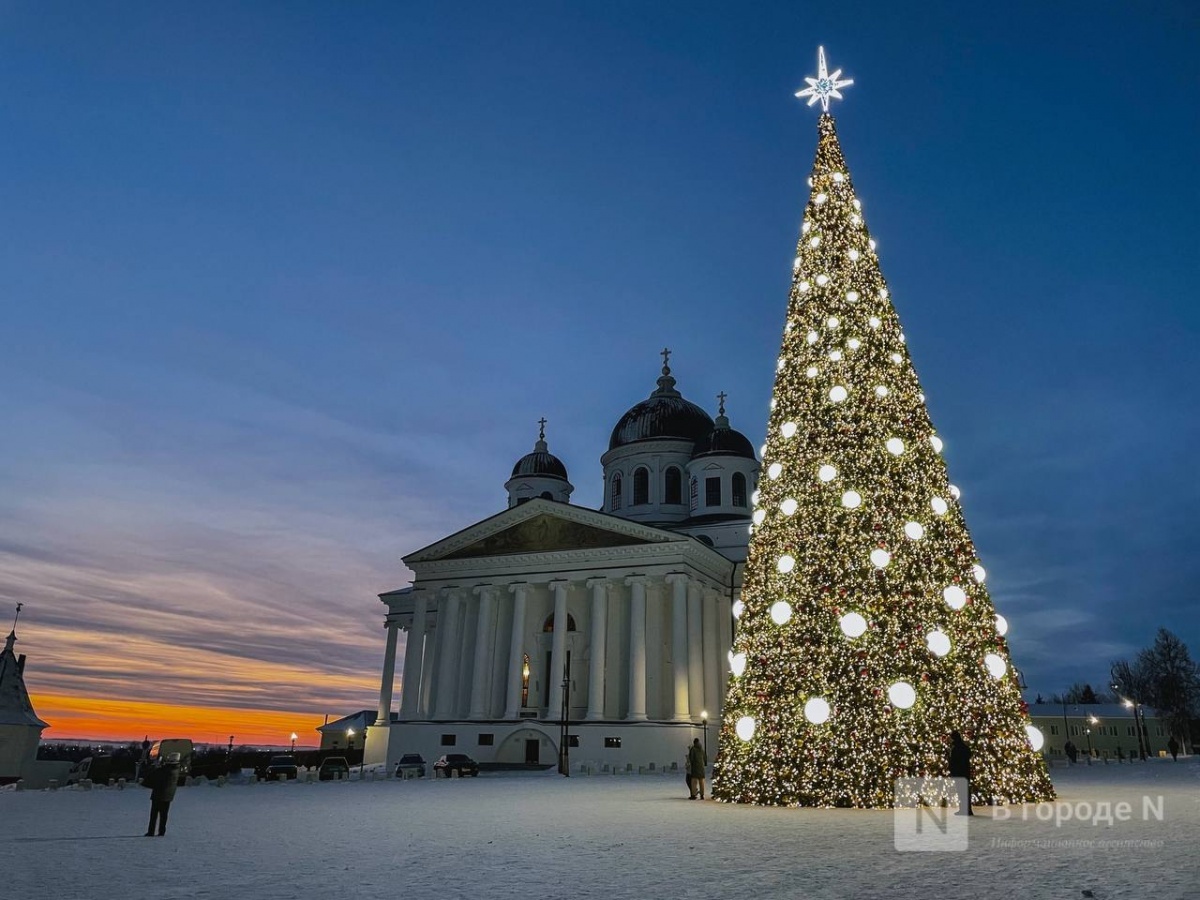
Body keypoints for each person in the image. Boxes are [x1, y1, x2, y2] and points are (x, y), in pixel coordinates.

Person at [145, 752, 182, 836]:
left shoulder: (165, 770)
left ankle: (151, 831)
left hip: (159, 794)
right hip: (168, 796)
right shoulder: (176, 769)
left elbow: (154, 777)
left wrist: (156, 766)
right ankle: (161, 831)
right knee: (164, 815)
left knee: (154, 815)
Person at [947, 731, 973, 816]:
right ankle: (967, 810)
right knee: (965, 791)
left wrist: (952, 769)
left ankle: (964, 810)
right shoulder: (963, 746)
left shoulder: (955, 748)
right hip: (965, 772)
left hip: (959, 772)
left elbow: (953, 761)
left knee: (961, 792)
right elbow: (969, 754)